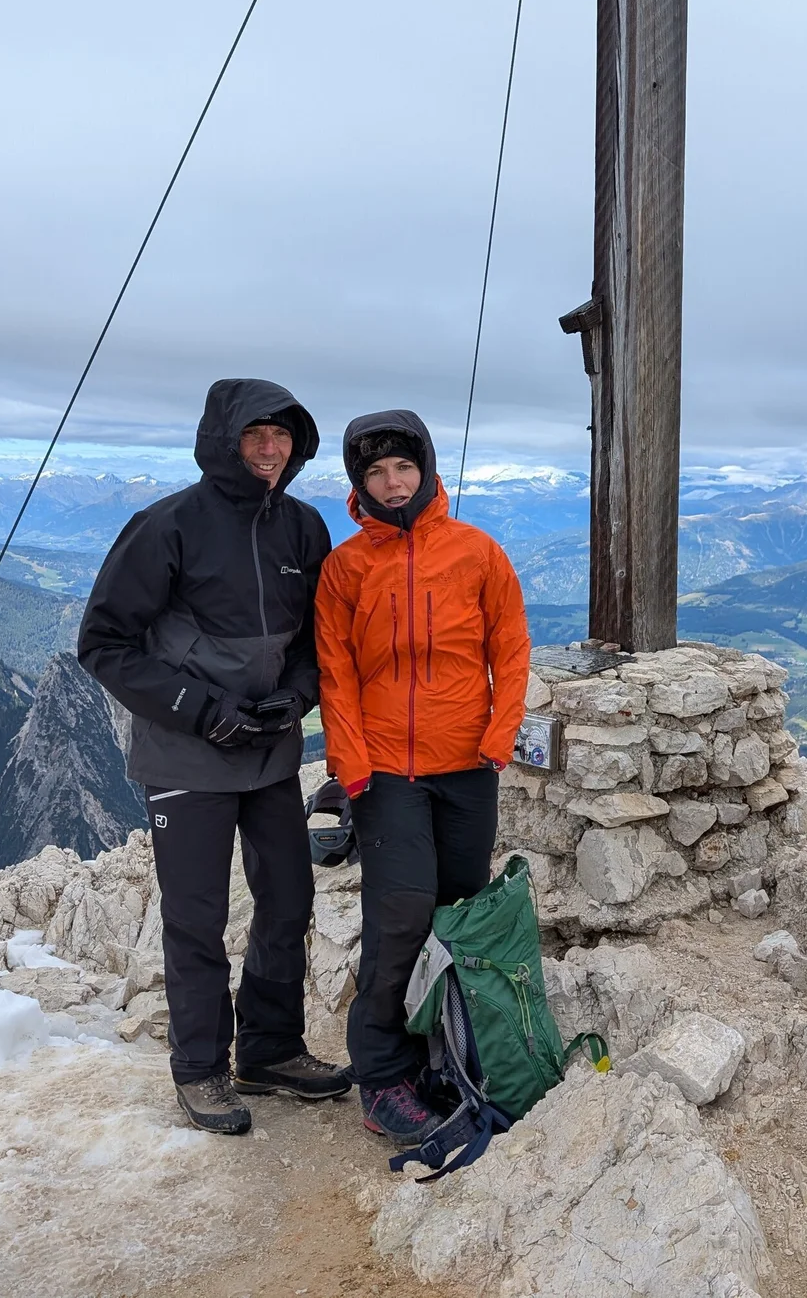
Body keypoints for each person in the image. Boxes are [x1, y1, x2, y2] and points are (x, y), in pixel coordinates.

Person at [77, 378, 349, 1136]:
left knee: (289, 900)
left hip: (268, 753)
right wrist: (198, 709)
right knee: (196, 917)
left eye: (282, 435)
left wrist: (295, 696)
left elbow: (313, 642)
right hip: (185, 756)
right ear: (223, 439)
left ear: (297, 445)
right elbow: (103, 643)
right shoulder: (167, 525)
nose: (269, 448)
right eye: (254, 434)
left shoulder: (302, 527)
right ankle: (200, 1066)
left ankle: (270, 1050)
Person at [314, 411, 531, 1143]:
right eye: (375, 473)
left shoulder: (477, 554)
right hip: (387, 773)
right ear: (360, 486)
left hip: (468, 764)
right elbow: (336, 675)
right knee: (401, 915)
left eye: (402, 467)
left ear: (426, 469)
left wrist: (499, 737)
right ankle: (382, 1074)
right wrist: (350, 764)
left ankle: (451, 1054)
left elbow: (512, 645)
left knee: (460, 912)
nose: (391, 481)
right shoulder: (346, 568)